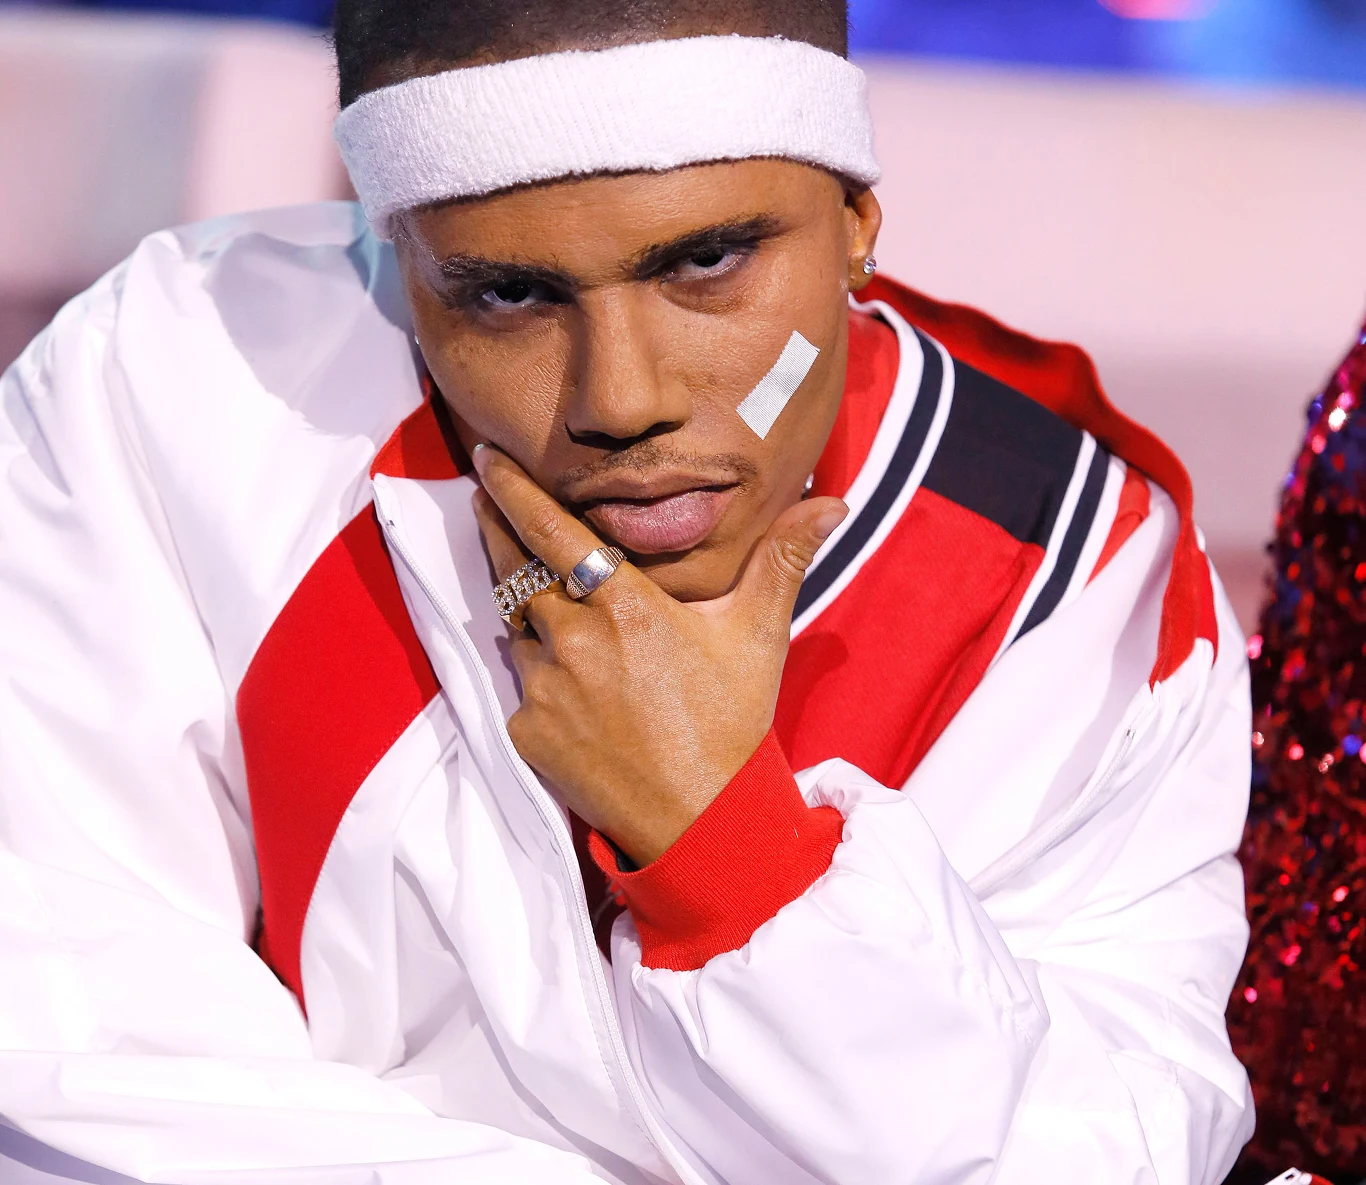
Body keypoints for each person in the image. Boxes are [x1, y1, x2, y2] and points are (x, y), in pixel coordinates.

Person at [0, 2, 1256, 1182]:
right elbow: (65, 1056)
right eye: (506, 294)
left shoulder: (1072, 590)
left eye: (706, 261)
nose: (621, 400)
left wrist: (731, 852)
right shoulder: (186, 386)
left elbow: (1099, 1153)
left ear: (857, 222)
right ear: (399, 262)